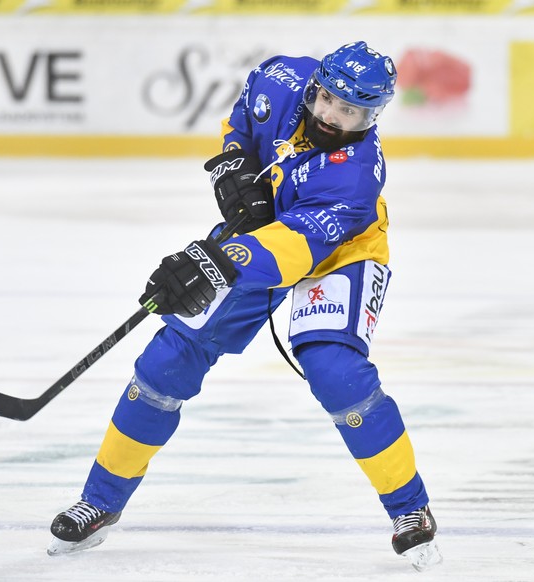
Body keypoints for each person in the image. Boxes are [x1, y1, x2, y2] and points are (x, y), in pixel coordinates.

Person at [47, 41, 443, 572]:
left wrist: (209, 261)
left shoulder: (355, 175)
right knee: (166, 363)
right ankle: (99, 501)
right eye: (326, 99)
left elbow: (295, 249)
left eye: (350, 112)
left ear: (372, 116)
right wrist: (234, 166)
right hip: (260, 237)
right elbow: (240, 121)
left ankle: (409, 509)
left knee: (337, 373)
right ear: (315, 85)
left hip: (340, 254)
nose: (331, 116)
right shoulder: (279, 78)